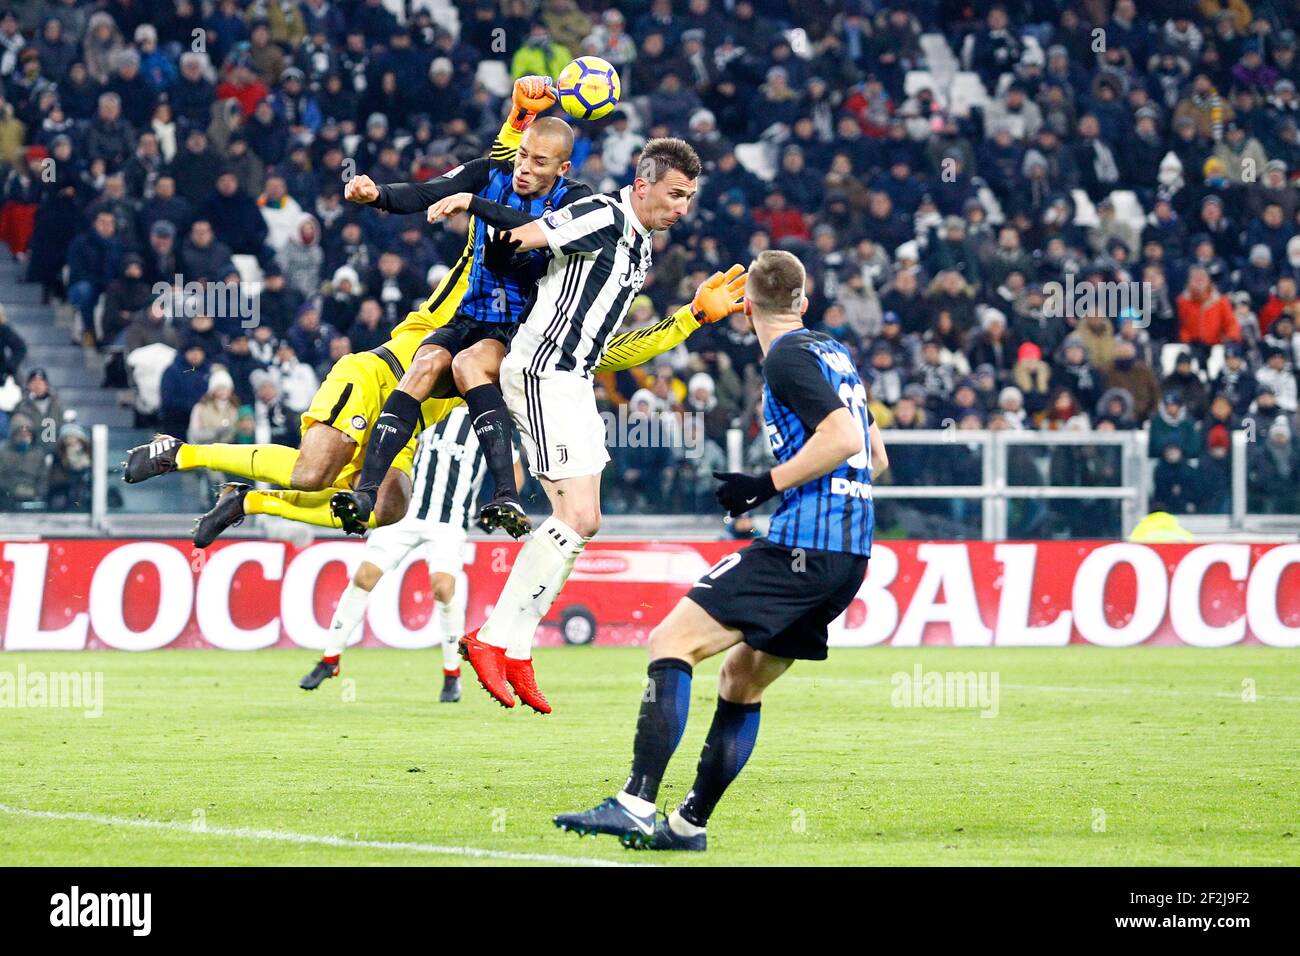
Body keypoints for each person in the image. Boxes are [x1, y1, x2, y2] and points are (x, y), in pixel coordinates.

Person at [344, 137, 740, 715]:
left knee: (586, 519)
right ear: (643, 183)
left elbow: (610, 350)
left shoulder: (640, 250)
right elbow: (526, 231)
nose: (683, 207)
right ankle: (496, 639)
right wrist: (469, 202)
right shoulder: (601, 212)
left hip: (574, 378)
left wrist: (694, 317)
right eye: (676, 194)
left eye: (690, 197)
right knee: (574, 515)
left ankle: (514, 645)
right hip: (538, 369)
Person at [554, 250, 887, 851]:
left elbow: (839, 437)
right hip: (850, 554)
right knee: (740, 680)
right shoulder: (836, 355)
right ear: (803, 303)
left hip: (803, 545)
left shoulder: (786, 356)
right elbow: (874, 454)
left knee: (670, 642)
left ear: (746, 307)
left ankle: (634, 803)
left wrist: (765, 485)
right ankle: (687, 826)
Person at [299, 405, 524, 700]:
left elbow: (514, 470)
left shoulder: (487, 421)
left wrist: (500, 505)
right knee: (364, 577)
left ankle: (451, 673)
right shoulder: (427, 406)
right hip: (403, 513)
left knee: (443, 589)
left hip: (450, 520)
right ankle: (330, 660)